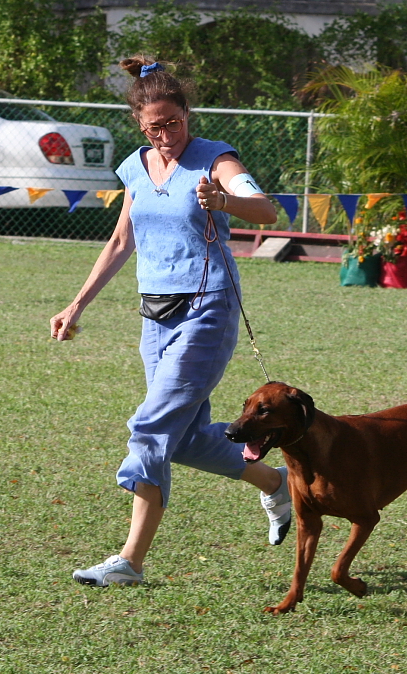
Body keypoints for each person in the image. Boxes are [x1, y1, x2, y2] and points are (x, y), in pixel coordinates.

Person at [49, 56, 292, 587]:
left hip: (209, 308)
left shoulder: (214, 158)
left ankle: (129, 562)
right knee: (179, 438)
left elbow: (267, 210)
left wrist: (225, 200)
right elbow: (120, 241)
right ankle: (276, 480)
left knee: (151, 425)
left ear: (187, 114)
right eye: (155, 127)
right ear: (139, 125)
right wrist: (76, 305)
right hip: (154, 316)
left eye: (174, 123)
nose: (166, 135)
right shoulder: (135, 167)